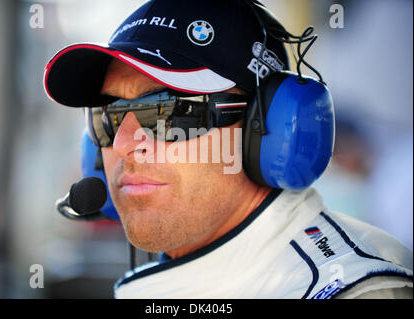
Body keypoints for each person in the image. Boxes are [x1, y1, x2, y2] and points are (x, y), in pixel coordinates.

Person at [44, 0, 413, 298]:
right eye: (108, 115)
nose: (124, 145)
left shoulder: (352, 291)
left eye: (168, 110)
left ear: (270, 128)